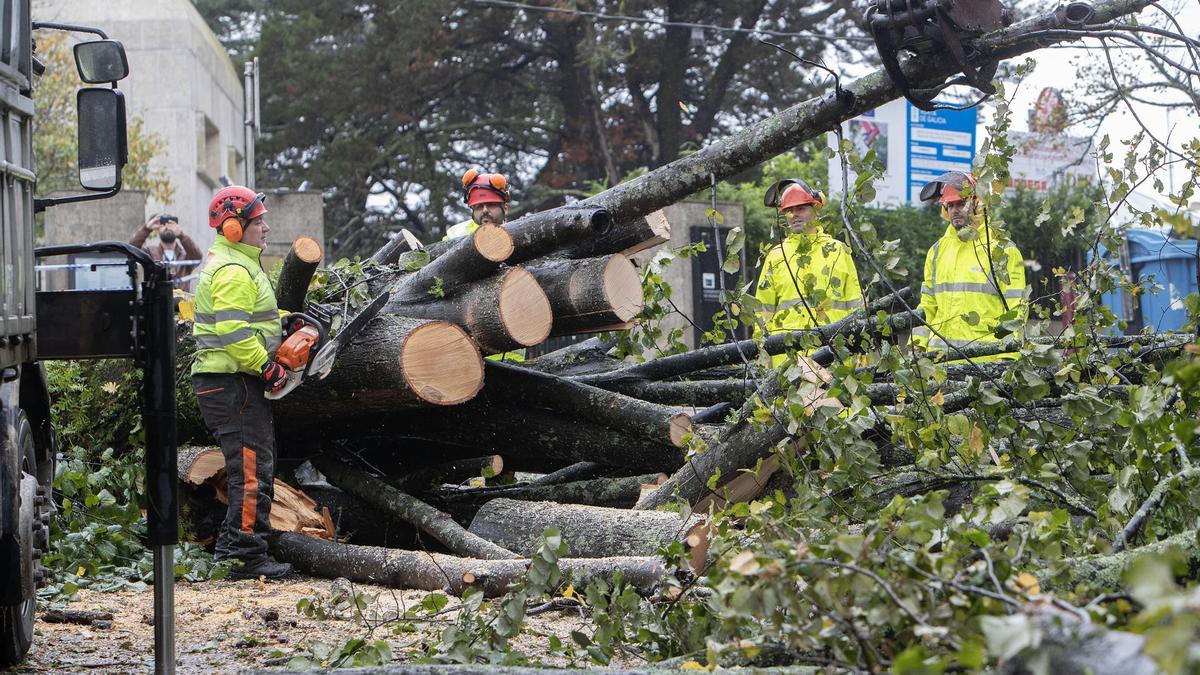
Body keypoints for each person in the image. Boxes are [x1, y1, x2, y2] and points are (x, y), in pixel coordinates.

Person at [190, 185, 294, 580]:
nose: (266, 228)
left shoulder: (237, 263)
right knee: (250, 470)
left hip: (232, 381)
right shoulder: (233, 269)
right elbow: (233, 333)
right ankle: (242, 557)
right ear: (234, 227)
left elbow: (248, 319)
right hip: (232, 382)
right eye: (259, 221)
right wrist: (266, 367)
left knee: (253, 465)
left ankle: (239, 548)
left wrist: (282, 324)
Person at [911, 171, 1027, 359]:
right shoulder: (937, 251)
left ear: (976, 204)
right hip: (941, 360)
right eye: (951, 205)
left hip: (985, 362)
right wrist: (918, 345)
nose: (955, 210)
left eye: (961, 203)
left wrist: (1009, 358)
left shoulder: (1002, 250)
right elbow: (928, 304)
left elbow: (1016, 308)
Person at [754, 179, 864, 365]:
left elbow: (856, 308)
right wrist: (763, 359)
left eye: (801, 209)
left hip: (833, 358)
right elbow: (762, 313)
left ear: (815, 209)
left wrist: (859, 350)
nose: (794, 215)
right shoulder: (775, 256)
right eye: (790, 211)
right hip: (787, 362)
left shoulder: (838, 251)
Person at [129, 213, 203, 289]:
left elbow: (197, 256)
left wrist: (182, 235)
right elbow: (131, 250)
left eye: (171, 224)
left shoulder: (185, 256)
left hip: (181, 300)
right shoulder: (149, 253)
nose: (167, 227)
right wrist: (146, 229)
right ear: (157, 230)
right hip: (157, 300)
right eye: (163, 223)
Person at [443, 168, 510, 240]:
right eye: (479, 206)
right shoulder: (455, 235)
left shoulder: (516, 234)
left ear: (505, 209)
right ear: (472, 210)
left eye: (491, 205)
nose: (485, 210)